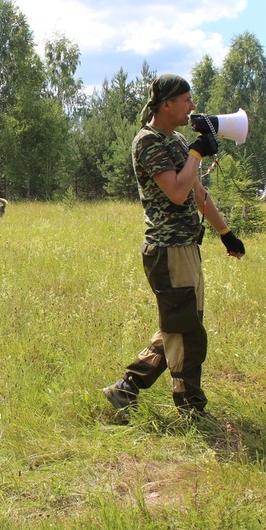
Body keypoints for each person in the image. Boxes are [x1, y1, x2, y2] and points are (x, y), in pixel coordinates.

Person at [103, 74, 246, 422]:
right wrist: (198, 151)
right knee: (187, 333)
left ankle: (126, 388)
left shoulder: (178, 141)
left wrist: (225, 233)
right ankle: (191, 410)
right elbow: (177, 192)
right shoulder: (148, 143)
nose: (193, 107)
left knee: (178, 324)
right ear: (167, 104)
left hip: (185, 248)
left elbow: (197, 192)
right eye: (186, 100)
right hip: (167, 251)